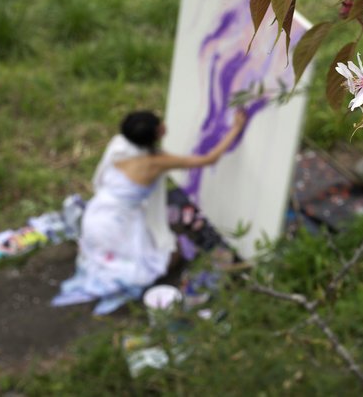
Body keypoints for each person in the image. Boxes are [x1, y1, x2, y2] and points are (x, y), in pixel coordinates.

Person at [52, 109, 247, 315]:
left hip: (95, 216)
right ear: (159, 131)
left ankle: (109, 258)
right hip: (119, 224)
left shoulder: (119, 146)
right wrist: (235, 128)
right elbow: (209, 159)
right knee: (166, 257)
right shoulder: (156, 161)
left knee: (115, 254)